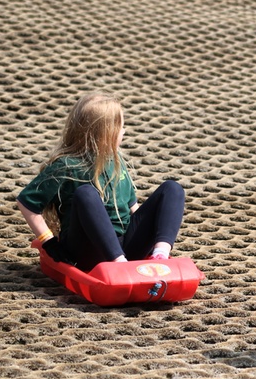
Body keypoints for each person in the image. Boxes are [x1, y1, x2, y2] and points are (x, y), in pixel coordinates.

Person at [16, 92, 185, 272]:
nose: (124, 132)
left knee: (172, 189)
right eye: (121, 127)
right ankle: (118, 264)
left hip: (125, 247)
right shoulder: (66, 166)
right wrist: (48, 241)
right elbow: (27, 202)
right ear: (107, 132)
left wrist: (148, 234)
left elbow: (133, 208)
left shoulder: (116, 160)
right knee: (86, 193)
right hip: (87, 249)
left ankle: (160, 253)